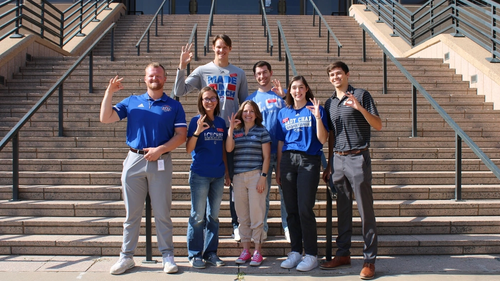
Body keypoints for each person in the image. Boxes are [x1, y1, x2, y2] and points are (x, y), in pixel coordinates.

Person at [100, 63, 187, 275]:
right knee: (132, 213)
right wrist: (109, 92)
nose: (154, 78)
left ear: (165, 79)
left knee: (162, 212)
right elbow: (105, 118)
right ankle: (126, 257)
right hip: (134, 159)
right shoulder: (132, 101)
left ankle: (167, 255)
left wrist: (160, 150)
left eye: (158, 75)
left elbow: (181, 136)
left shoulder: (174, 106)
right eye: (150, 75)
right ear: (144, 78)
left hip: (161, 160)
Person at [174, 34, 249, 241]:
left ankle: (237, 224)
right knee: (206, 180)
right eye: (218, 47)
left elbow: (245, 105)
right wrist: (182, 66)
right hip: (209, 134)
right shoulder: (202, 71)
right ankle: (202, 234)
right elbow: (179, 90)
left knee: (233, 180)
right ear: (213, 49)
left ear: (230, 49)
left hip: (231, 134)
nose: (221, 50)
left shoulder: (239, 73)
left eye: (225, 47)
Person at [319, 61, 382, 280]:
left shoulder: (361, 95)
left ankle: (369, 260)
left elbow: (378, 125)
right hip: (338, 160)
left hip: (358, 157)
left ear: (347, 74)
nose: (335, 77)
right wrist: (329, 164)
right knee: (342, 210)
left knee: (366, 211)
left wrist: (359, 108)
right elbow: (331, 135)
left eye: (339, 73)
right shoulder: (330, 103)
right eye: (332, 75)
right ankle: (343, 254)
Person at [276, 76, 329, 272]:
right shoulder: (284, 112)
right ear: (289, 91)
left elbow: (323, 139)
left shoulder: (316, 109)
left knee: (305, 207)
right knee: (291, 208)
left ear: (306, 89)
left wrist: (317, 117)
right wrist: (279, 168)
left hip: (309, 160)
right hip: (288, 161)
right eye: (293, 88)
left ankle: (312, 254)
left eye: (300, 87)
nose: (297, 91)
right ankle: (296, 251)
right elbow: (280, 142)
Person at [185, 86, 230, 269]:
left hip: (218, 175)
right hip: (200, 175)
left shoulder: (220, 122)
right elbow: (188, 149)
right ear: (201, 101)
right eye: (206, 99)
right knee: (197, 216)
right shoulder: (196, 121)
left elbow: (223, 150)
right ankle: (195, 254)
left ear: (217, 101)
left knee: (213, 216)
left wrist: (227, 172)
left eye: (212, 98)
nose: (209, 101)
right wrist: (197, 131)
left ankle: (210, 252)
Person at [246, 61, 289, 242]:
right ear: (255, 76)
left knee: (286, 192)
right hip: (260, 154)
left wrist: (284, 96)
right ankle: (261, 227)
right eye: (258, 74)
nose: (262, 76)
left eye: (265, 72)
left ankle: (288, 226)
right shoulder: (252, 99)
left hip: (283, 151)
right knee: (261, 193)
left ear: (271, 73)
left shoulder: (284, 95)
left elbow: (297, 110)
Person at [226, 100, 271, 267]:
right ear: (241, 113)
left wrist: (263, 177)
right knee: (242, 215)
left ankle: (258, 250)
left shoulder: (262, 131)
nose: (248, 114)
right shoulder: (236, 132)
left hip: (255, 176)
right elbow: (229, 149)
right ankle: (246, 250)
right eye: (245, 111)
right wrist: (230, 129)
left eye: (251, 111)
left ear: (256, 114)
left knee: (257, 214)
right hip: (238, 177)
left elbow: (267, 157)